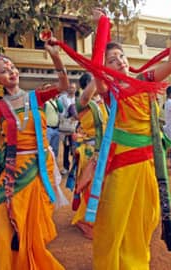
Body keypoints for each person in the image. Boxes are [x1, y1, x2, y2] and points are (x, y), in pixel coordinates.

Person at [76, 7, 171, 269]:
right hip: (122, 162)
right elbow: (96, 66)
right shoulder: (109, 89)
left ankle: (134, 263)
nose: (120, 61)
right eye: (112, 59)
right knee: (114, 219)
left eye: (121, 56)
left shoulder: (145, 80)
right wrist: (101, 26)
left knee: (146, 217)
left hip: (148, 161)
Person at [0, 37, 68, 269]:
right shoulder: (0, 107)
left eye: (11, 66)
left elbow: (63, 86)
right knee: (3, 218)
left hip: (38, 168)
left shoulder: (36, 97)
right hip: (11, 171)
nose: (10, 71)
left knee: (31, 228)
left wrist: (54, 55)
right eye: (4, 71)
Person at [70, 72, 108, 239]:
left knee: (103, 186)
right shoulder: (83, 104)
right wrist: (98, 72)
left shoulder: (104, 103)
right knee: (91, 185)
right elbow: (86, 96)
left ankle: (97, 218)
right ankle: (84, 220)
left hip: (105, 150)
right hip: (90, 150)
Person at [57, 82, 77, 174]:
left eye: (73, 88)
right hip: (66, 126)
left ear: (76, 89)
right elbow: (59, 111)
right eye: (70, 87)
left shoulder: (78, 99)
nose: (71, 89)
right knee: (66, 147)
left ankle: (75, 167)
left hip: (76, 127)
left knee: (75, 148)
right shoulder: (62, 98)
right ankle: (65, 167)